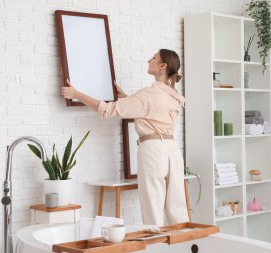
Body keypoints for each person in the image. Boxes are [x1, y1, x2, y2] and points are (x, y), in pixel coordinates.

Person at [61, 49, 189, 226]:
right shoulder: (172, 94)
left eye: (153, 58)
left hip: (153, 152)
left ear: (162, 66)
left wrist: (76, 94)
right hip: (172, 151)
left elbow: (107, 110)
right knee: (178, 211)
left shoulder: (148, 94)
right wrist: (128, 99)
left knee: (153, 212)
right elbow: (152, 113)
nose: (148, 59)